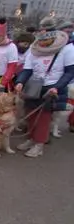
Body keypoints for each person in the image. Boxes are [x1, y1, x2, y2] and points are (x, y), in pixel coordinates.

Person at [15, 16, 74, 157]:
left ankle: (39, 145)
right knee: (30, 114)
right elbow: (27, 69)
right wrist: (20, 82)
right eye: (41, 30)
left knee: (44, 117)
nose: (42, 33)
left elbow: (70, 71)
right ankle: (31, 139)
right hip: (33, 85)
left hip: (51, 86)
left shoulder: (66, 48)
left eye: (45, 30)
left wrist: (57, 87)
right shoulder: (35, 47)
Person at [57, 20, 74, 132]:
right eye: (66, 31)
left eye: (70, 31)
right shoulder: (62, 46)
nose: (68, 34)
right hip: (59, 79)